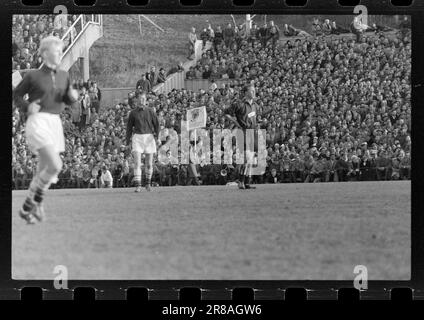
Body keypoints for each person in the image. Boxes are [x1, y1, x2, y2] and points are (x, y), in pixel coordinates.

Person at [13, 35, 79, 224]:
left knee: (42, 170)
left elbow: (66, 100)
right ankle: (34, 202)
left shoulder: (64, 74)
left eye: (61, 50)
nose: (60, 53)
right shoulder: (32, 75)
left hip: (55, 123)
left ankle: (28, 208)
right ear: (44, 53)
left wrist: (72, 97)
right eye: (56, 50)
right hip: (38, 122)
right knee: (56, 166)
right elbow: (16, 95)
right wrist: (26, 106)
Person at [224, 83, 258, 190]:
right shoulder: (239, 104)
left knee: (251, 159)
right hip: (243, 132)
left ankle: (246, 182)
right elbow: (226, 113)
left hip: (253, 132)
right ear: (245, 92)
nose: (253, 92)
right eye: (251, 91)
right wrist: (236, 122)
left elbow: (253, 118)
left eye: (254, 90)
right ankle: (241, 181)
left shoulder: (255, 105)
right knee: (246, 157)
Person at [126, 92, 160, 192]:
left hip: (149, 137)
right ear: (137, 100)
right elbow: (129, 128)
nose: (142, 100)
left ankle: (148, 184)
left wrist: (157, 137)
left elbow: (157, 125)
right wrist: (127, 141)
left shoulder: (151, 111)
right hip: (137, 138)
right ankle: (138, 185)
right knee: (137, 163)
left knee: (149, 164)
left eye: (144, 99)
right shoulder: (133, 113)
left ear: (146, 100)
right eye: (140, 99)